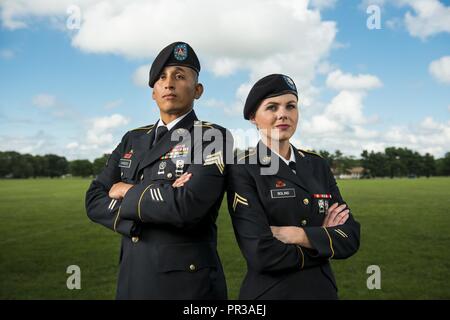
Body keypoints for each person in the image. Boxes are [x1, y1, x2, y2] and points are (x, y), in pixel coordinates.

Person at [86, 41, 232, 299]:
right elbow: (94, 199)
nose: (169, 83)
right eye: (161, 78)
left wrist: (126, 190)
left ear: (198, 90)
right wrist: (157, 200)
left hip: (186, 286)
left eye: (179, 76)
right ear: (153, 92)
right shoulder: (133, 138)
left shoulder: (210, 136)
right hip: (132, 279)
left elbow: (186, 207)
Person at [227, 74, 360, 299]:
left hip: (322, 291)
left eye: (291, 106)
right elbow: (262, 253)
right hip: (271, 294)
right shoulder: (243, 168)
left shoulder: (316, 164)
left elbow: (351, 236)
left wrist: (299, 235)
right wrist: (323, 240)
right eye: (272, 107)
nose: (283, 115)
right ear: (253, 117)